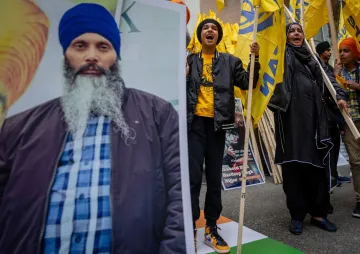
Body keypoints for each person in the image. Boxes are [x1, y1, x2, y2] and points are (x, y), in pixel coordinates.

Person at [0, 3, 185, 254]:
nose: (91, 56)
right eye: (80, 46)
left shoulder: (157, 114)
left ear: (116, 57)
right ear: (65, 55)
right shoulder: (18, 128)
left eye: (103, 47)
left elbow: (181, 199)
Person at [186, 18, 260, 253]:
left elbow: (248, 82)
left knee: (215, 180)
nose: (210, 30)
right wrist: (184, 73)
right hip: (194, 125)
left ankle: (210, 227)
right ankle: (189, 229)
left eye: (214, 28)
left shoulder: (230, 61)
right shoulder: (188, 61)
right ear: (200, 35)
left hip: (218, 127)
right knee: (193, 179)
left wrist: (255, 59)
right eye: (206, 28)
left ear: (218, 36)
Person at [268, 23, 338, 235]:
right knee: (294, 167)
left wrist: (340, 98)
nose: (296, 33)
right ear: (286, 36)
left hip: (316, 121)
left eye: (299, 31)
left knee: (317, 166)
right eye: (292, 31)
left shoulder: (313, 59)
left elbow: (331, 83)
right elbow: (266, 72)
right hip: (290, 120)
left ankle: (318, 213)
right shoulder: (279, 56)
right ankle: (297, 215)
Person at [316, 41, 350, 214]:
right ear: (321, 52)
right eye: (328, 50)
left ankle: (334, 174)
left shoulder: (328, 67)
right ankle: (329, 180)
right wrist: (335, 74)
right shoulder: (318, 67)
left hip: (334, 117)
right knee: (327, 150)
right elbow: (327, 89)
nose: (331, 52)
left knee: (335, 148)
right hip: (325, 118)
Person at [334, 37, 360, 218]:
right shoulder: (337, 73)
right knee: (356, 162)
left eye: (346, 50)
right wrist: (334, 77)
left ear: (354, 52)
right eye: (340, 51)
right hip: (350, 123)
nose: (342, 54)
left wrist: (357, 86)